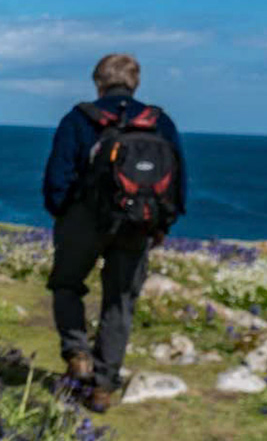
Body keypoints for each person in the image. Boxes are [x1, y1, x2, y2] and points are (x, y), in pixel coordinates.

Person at [41, 53, 186, 412]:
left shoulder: (79, 118)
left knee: (66, 285)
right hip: (137, 222)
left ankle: (77, 352)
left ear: (98, 81)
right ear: (135, 83)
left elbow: (57, 178)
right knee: (120, 301)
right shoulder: (158, 122)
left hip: (83, 220)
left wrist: (64, 215)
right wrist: (161, 225)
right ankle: (104, 386)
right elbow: (178, 179)